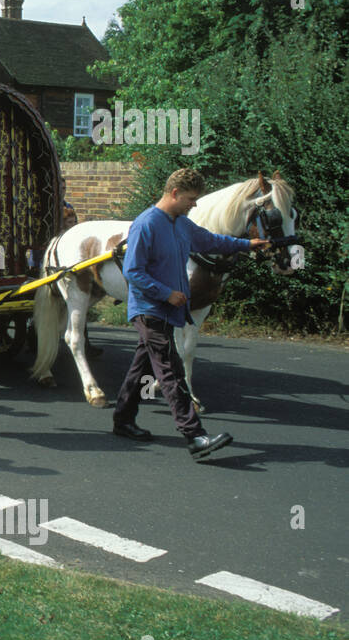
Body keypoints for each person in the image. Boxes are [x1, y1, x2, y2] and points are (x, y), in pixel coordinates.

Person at [112, 168, 268, 458]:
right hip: (149, 308)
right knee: (170, 370)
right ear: (174, 193)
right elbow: (133, 271)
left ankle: (123, 420)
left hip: (167, 309)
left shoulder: (182, 223)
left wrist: (247, 244)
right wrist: (166, 293)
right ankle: (195, 436)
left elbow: (212, 241)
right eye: (190, 198)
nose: (194, 204)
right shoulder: (146, 224)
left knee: (141, 367)